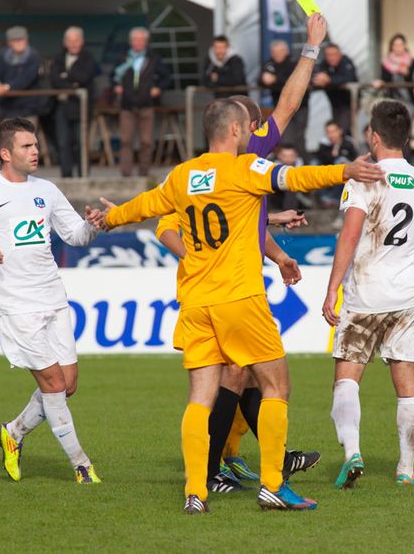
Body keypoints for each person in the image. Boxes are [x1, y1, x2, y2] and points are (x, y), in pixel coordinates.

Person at [87, 87, 386, 512]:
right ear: (233, 129)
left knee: (200, 397)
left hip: (195, 302)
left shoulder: (182, 175)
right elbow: (293, 177)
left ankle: (195, 491)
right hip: (240, 299)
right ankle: (273, 485)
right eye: (247, 127)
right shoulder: (244, 169)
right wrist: (345, 171)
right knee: (276, 386)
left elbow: (144, 207)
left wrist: (109, 218)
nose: (252, 132)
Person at [155, 64, 325, 494]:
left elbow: (245, 222)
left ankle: (225, 465)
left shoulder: (231, 166)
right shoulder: (218, 168)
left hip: (228, 286)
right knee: (245, 376)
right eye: (255, 125)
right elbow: (164, 225)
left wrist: (279, 244)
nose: (260, 130)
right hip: (222, 289)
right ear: (243, 128)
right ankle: (226, 468)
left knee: (241, 375)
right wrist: (311, 50)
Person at [0, 117, 102, 485]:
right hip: (15, 302)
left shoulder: (46, 189)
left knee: (68, 383)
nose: (35, 151)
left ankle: (12, 433)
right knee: (52, 384)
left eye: (36, 145)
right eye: (27, 146)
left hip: (53, 297)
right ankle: (82, 466)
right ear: (5, 153)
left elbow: (75, 236)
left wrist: (94, 223)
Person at [323, 99, 414, 489]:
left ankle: (352, 451)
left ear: (374, 135)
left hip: (366, 294)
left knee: (347, 377)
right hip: (406, 295)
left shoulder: (362, 178)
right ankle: (406, 469)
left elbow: (350, 235)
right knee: (408, 384)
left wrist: (332, 287)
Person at [113, 27, 172, 177]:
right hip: (127, 105)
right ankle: (126, 173)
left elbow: (167, 76)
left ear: (146, 42)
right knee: (126, 140)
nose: (138, 42)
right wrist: (116, 86)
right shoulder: (123, 58)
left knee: (146, 141)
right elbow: (112, 76)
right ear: (131, 42)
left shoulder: (153, 58)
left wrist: (158, 89)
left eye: (141, 40)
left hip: (146, 105)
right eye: (135, 39)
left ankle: (144, 172)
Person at [49, 26, 99, 178]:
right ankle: (66, 176)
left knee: (81, 143)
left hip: (81, 108)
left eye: (76, 40)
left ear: (82, 41)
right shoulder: (58, 58)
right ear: (65, 42)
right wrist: (72, 83)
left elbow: (84, 77)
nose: (73, 43)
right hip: (62, 108)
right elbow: (54, 79)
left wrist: (66, 76)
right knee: (63, 143)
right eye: (70, 41)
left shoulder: (88, 58)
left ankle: (83, 175)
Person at [260, 40, 308, 156]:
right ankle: (286, 164)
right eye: (273, 52)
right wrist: (264, 79)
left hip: (300, 105)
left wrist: (275, 80)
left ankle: (302, 162)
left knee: (299, 135)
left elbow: (294, 80)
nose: (276, 55)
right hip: (281, 106)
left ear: (286, 51)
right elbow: (261, 79)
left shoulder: (294, 63)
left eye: (279, 52)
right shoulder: (269, 64)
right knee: (284, 135)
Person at [0, 26, 42, 125]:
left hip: (28, 108)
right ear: (9, 43)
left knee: (27, 139)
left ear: (26, 40)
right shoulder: (2, 55)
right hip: (7, 107)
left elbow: (26, 78)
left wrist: (7, 87)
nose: (19, 43)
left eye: (21, 39)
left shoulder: (33, 56)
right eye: (15, 40)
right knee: (8, 138)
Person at [312, 43, 359, 135]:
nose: (331, 57)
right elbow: (315, 76)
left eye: (334, 54)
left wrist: (329, 80)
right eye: (329, 55)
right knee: (339, 127)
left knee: (341, 130)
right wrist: (319, 80)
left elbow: (349, 77)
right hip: (334, 103)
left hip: (349, 102)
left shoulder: (346, 62)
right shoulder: (324, 64)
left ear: (340, 54)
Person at [374, 33, 414, 119]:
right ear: (391, 47)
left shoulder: (412, 62)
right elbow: (384, 79)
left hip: (408, 102)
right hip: (391, 101)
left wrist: (407, 73)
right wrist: (379, 82)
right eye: (395, 45)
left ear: (405, 46)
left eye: (400, 45)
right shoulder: (386, 62)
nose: (398, 47)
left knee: (406, 126)